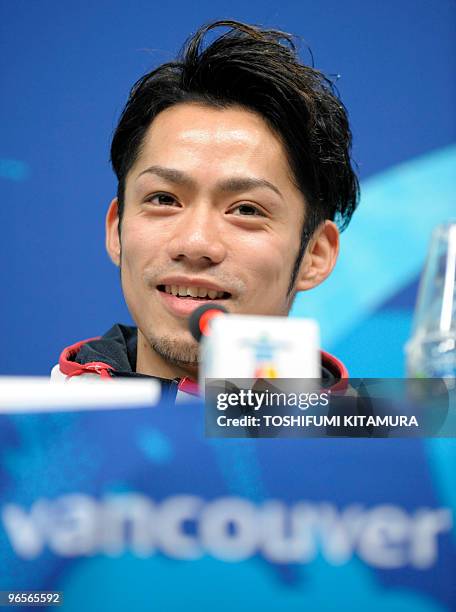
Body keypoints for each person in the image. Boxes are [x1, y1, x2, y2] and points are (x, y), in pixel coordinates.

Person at [51, 19, 359, 398]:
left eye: (246, 209)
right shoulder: (30, 441)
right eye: (164, 199)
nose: (195, 243)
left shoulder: (386, 444)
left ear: (315, 254)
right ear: (116, 229)